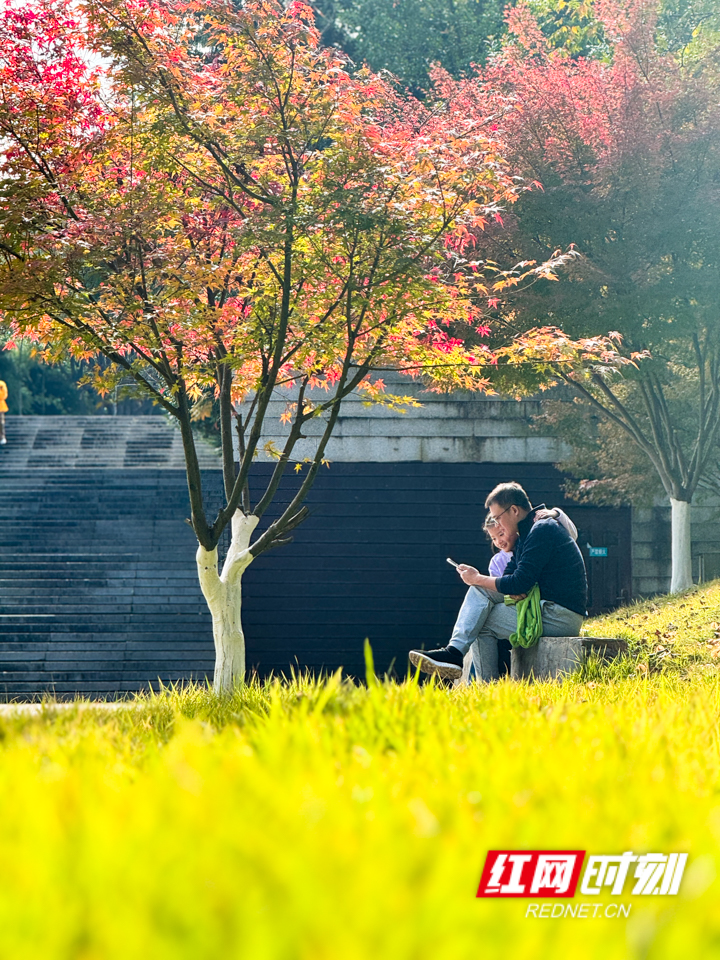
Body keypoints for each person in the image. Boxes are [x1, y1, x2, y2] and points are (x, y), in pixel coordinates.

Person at [409, 482, 587, 681]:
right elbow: (510, 578)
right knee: (479, 591)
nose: (497, 524)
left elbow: (519, 583)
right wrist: (482, 580)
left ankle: (480, 681)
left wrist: (480, 579)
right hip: (547, 608)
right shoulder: (526, 536)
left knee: (481, 619)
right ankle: (455, 653)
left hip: (560, 616)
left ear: (514, 510)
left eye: (497, 518)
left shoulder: (542, 530)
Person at [0, 378, 7, 445]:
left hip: (0, 407)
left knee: (1, 423)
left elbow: (4, 395)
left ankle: (2, 437)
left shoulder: (1, 384)